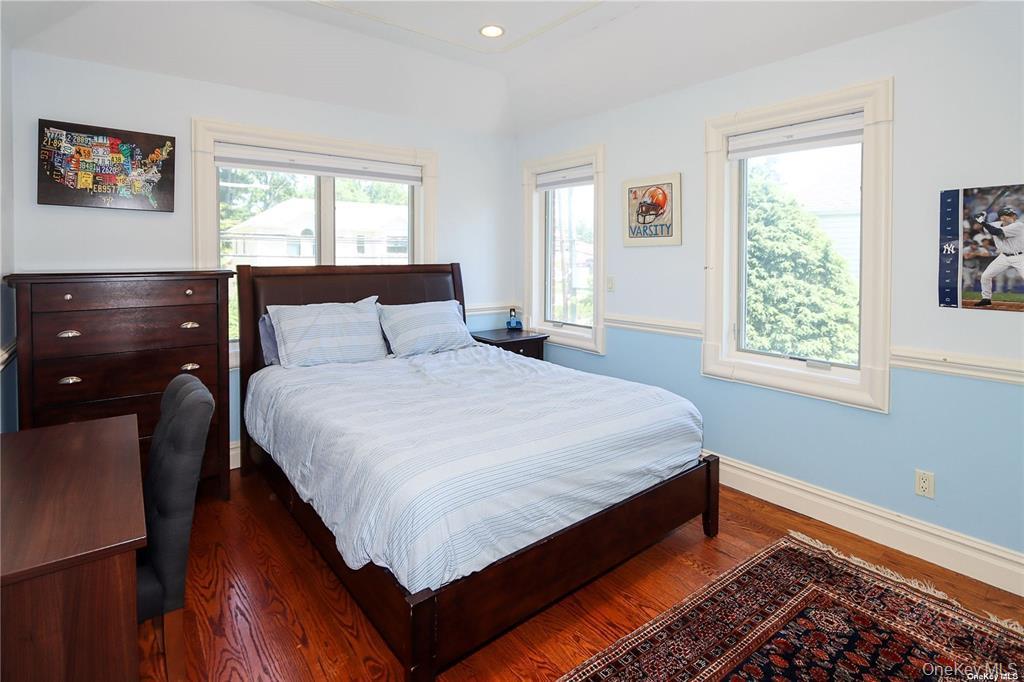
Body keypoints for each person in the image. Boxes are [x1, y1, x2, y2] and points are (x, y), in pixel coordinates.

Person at [973, 207, 1024, 306]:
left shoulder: (1018, 225)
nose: (1013, 216)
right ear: (1002, 218)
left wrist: (982, 221)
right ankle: (986, 298)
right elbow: (978, 227)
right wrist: (980, 217)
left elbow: (996, 232)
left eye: (1013, 214)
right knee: (985, 276)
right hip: (1003, 256)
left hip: (1020, 256)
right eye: (1009, 215)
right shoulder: (995, 224)